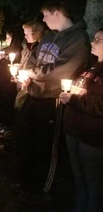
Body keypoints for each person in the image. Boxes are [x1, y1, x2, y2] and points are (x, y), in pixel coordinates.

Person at [14, 0, 91, 202]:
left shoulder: (78, 39)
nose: (44, 19)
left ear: (57, 13)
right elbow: (33, 57)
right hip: (33, 95)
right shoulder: (48, 36)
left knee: (46, 145)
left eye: (46, 15)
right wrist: (27, 74)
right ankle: (26, 180)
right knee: (26, 137)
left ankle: (44, 188)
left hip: (53, 101)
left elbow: (62, 69)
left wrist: (33, 72)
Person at [59, 28, 103, 212]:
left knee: (94, 182)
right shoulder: (91, 66)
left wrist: (75, 99)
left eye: (98, 40)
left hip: (92, 137)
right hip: (74, 130)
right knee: (78, 176)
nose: (92, 42)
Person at [0, 29, 23, 137]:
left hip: (9, 81)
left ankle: (8, 126)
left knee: (8, 103)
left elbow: (17, 64)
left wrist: (8, 60)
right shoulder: (4, 49)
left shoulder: (18, 51)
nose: (6, 40)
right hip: (0, 79)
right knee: (1, 102)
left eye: (8, 38)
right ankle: (1, 123)